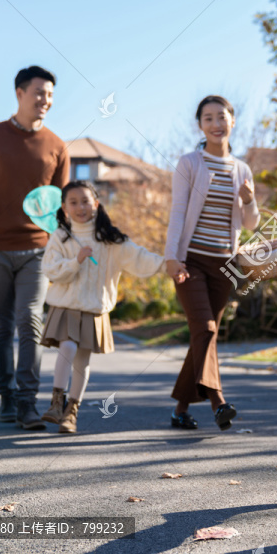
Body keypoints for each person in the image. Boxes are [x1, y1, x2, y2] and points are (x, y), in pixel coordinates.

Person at [0, 65, 70, 430]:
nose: (46, 101)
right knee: (2, 325)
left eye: (51, 95)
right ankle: (6, 397)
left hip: (38, 247)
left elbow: (60, 201)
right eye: (40, 93)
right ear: (20, 93)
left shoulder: (57, 146)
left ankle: (27, 404)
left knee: (30, 321)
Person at [164, 95, 260, 431]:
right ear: (200, 125)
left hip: (224, 266)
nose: (216, 124)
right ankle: (219, 402)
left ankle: (179, 410)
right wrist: (171, 258)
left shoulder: (242, 169)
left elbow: (249, 224)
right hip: (191, 261)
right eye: (208, 118)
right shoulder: (189, 163)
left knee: (204, 335)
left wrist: (248, 201)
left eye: (222, 117)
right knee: (205, 330)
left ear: (233, 120)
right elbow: (177, 213)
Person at [39, 181, 164, 433]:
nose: (80, 207)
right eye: (73, 202)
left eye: (85, 201)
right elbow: (50, 270)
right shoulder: (60, 237)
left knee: (82, 361)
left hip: (94, 308)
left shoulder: (110, 240)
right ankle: (55, 402)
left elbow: (139, 257)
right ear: (64, 208)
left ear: (96, 204)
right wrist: (76, 260)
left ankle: (71, 412)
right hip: (66, 307)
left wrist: (168, 264)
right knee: (67, 346)